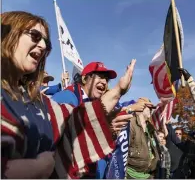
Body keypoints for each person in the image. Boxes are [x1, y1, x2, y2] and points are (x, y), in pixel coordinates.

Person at [1, 11, 136, 179]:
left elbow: (74, 124)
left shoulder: (38, 101)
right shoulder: (67, 96)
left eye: (47, 43)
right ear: (6, 35)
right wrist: (32, 168)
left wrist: (117, 92)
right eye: (35, 36)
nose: (42, 46)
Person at [52, 61, 116, 106]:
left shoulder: (98, 106)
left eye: (107, 79)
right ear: (84, 79)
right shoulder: (67, 97)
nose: (104, 82)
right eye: (100, 76)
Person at [126, 97, 160, 179]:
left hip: (149, 175)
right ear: (141, 107)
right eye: (149, 107)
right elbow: (123, 152)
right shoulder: (131, 124)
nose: (151, 110)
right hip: (132, 175)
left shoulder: (151, 127)